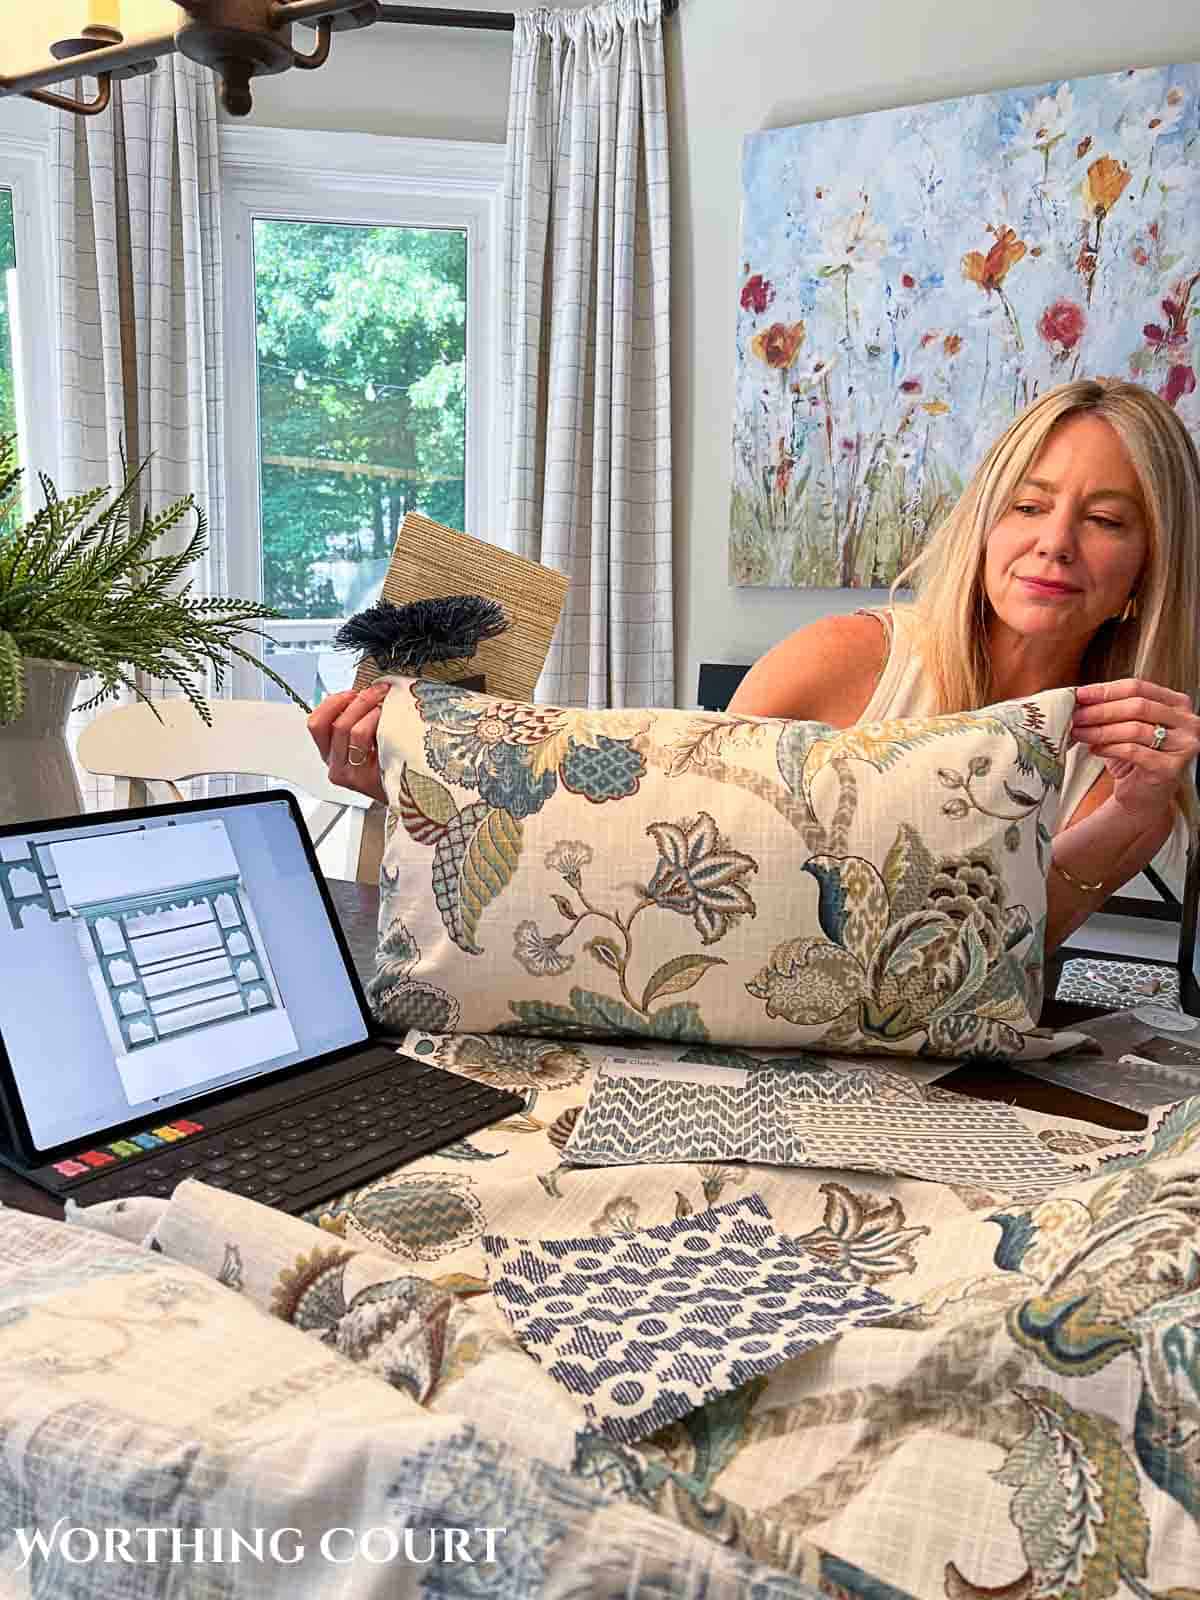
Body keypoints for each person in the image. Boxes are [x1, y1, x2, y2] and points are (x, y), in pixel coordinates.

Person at [725, 378, 1200, 953]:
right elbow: (698, 849)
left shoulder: (1129, 773)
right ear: (984, 523)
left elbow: (1002, 954)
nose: (1055, 542)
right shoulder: (840, 659)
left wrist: (1128, 816)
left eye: (1104, 520)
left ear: (1151, 565)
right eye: (1028, 506)